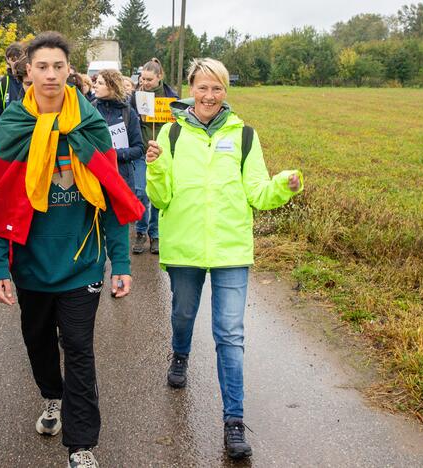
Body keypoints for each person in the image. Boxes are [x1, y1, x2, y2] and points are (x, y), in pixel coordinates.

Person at [0, 31, 144, 468]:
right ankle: (51, 396)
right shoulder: (13, 126)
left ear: (68, 71)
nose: (50, 74)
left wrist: (121, 261)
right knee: (37, 341)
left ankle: (82, 444)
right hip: (32, 268)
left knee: (78, 348)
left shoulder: (89, 125)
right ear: (28, 72)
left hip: (82, 266)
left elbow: (110, 197)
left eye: (58, 66)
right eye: (42, 67)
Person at [145, 58, 303, 460]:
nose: (209, 96)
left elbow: (258, 194)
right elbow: (161, 198)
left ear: (225, 92)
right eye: (202, 88)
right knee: (182, 314)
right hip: (184, 247)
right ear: (191, 89)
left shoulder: (246, 136)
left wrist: (283, 185)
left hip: (231, 248)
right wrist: (156, 167)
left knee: (230, 335)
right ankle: (180, 353)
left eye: (217, 89)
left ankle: (233, 420)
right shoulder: (171, 133)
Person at [130, 57, 178, 255]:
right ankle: (140, 231)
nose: (145, 82)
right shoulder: (136, 96)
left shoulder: (171, 97)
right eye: (143, 78)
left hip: (162, 153)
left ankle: (155, 234)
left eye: (149, 79)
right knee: (141, 192)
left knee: (157, 194)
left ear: (160, 77)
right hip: (142, 151)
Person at [91, 69, 143, 194]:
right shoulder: (90, 109)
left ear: (112, 87)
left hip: (122, 178)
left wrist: (115, 154)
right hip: (96, 178)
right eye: (96, 82)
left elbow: (139, 148)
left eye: (100, 83)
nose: (95, 86)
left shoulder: (128, 112)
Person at [0, 42, 26, 121]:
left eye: (19, 58)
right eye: (13, 59)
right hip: (9, 128)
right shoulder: (2, 83)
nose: (16, 62)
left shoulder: (31, 78)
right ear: (8, 60)